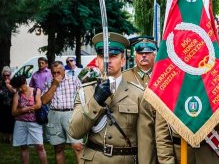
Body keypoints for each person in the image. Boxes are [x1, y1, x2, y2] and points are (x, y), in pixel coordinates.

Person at [69, 32, 156, 164]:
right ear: (97, 60)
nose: (107, 60)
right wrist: (96, 101)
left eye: (113, 56)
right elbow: (75, 132)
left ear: (123, 60)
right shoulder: (85, 92)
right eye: (102, 56)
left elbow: (145, 141)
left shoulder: (138, 94)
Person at [41, 61, 83, 164]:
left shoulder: (74, 80)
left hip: (71, 114)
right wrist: (54, 85)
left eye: (58, 72)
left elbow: (83, 99)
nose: (56, 75)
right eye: (53, 73)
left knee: (78, 146)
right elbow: (44, 101)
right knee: (58, 148)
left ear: (64, 70)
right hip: (54, 115)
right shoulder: (49, 82)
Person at [10, 75, 48, 164]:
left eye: (21, 86)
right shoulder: (18, 94)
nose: (20, 89)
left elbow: (38, 105)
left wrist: (27, 109)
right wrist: (23, 110)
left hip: (34, 122)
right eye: (18, 87)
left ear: (25, 83)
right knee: (23, 146)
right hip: (20, 123)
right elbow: (13, 112)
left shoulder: (36, 91)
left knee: (40, 146)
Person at [0, 66, 16, 143]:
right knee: (2, 121)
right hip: (2, 104)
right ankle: (3, 137)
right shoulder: (0, 82)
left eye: (8, 75)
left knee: (10, 121)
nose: (6, 77)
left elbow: (15, 92)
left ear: (10, 74)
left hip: (11, 104)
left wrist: (8, 86)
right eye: (4, 75)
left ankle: (9, 138)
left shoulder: (13, 82)